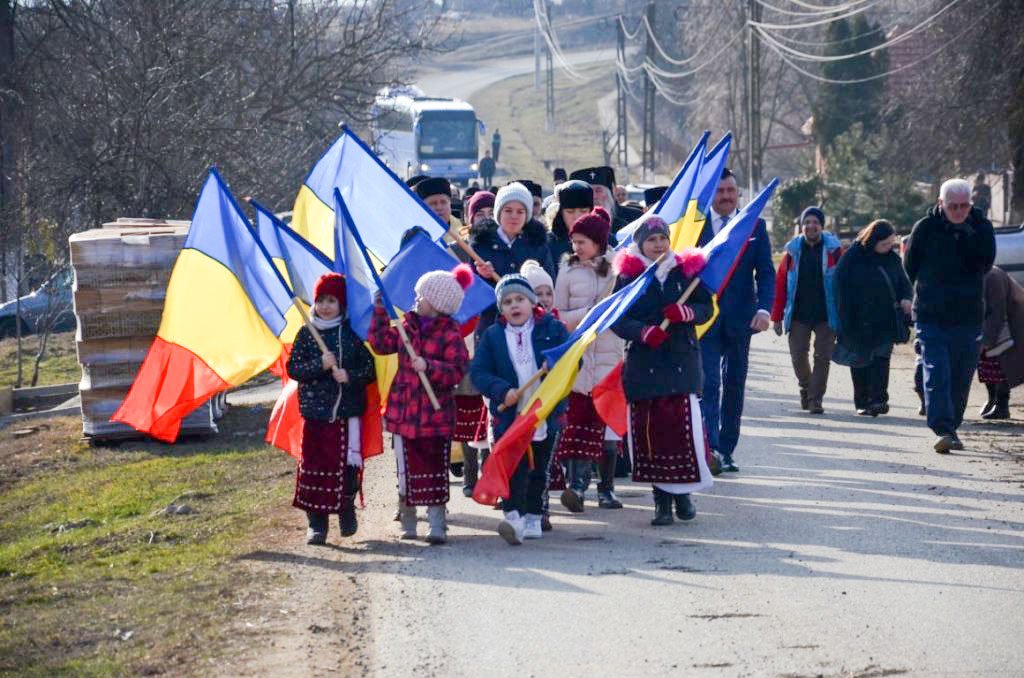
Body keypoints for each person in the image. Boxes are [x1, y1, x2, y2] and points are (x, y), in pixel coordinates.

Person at [611, 215, 715, 524]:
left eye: (662, 239)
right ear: (640, 243)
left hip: (681, 363)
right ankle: (661, 504)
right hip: (646, 367)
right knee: (652, 436)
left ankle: (684, 496)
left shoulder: (685, 272)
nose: (657, 245)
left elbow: (705, 307)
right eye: (651, 240)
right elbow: (618, 318)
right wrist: (642, 331)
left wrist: (687, 312)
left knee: (681, 435)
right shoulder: (629, 277)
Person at [369, 265, 472, 543]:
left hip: (434, 417)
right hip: (404, 413)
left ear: (437, 304)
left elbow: (456, 369)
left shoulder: (450, 334)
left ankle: (437, 521)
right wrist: (379, 309)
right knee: (406, 469)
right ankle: (408, 518)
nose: (416, 300)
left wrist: (429, 366)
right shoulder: (406, 327)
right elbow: (380, 343)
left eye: (421, 296)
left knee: (434, 467)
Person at [471, 274, 569, 544]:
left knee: (539, 467)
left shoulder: (552, 327)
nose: (514, 305)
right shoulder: (493, 335)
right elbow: (479, 371)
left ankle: (534, 516)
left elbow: (573, 360)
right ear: (501, 308)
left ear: (532, 301)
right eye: (507, 302)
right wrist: (502, 390)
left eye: (520, 299)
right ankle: (513, 517)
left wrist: (554, 362)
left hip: (544, 412)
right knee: (514, 466)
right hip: (510, 414)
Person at [904, 178, 996, 453]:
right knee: (936, 370)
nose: (958, 211)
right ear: (940, 204)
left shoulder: (980, 227)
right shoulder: (925, 228)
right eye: (952, 206)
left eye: (963, 206)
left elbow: (987, 262)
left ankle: (952, 426)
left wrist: (969, 235)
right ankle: (943, 428)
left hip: (968, 315)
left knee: (960, 375)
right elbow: (911, 266)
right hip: (932, 314)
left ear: (970, 204)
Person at [286, 273, 376, 545]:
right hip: (316, 415)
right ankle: (316, 524)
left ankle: (346, 511)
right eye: (321, 300)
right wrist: (320, 365)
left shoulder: (349, 335)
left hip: (346, 415)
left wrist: (348, 375)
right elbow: (294, 369)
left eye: (331, 300)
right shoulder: (306, 333)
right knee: (314, 467)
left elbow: (368, 368)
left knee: (346, 468)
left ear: (341, 305)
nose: (325, 306)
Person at [697, 168, 775, 472]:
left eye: (731, 191)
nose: (726, 197)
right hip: (703, 320)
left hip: (741, 320)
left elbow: (766, 273)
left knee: (733, 384)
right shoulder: (697, 227)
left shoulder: (754, 226)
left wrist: (764, 309)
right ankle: (711, 448)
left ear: (738, 193)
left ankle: (727, 449)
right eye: (720, 192)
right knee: (710, 383)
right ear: (711, 195)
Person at [551, 206, 624, 512]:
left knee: (607, 428)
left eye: (583, 241)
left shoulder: (618, 270)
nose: (576, 247)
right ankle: (577, 487)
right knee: (579, 425)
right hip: (579, 359)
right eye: (574, 241)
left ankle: (606, 489)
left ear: (598, 242)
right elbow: (558, 315)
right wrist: (589, 314)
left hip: (609, 358)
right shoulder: (567, 271)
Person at [834, 220, 913, 416]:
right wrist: (844, 319)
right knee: (860, 362)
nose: (888, 248)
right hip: (858, 319)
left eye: (891, 244)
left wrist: (906, 298)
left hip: (885, 319)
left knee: (881, 359)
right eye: (884, 244)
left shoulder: (892, 259)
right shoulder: (852, 257)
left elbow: (904, 283)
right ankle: (862, 401)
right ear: (873, 240)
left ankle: (879, 399)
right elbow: (839, 289)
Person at [770, 206, 842, 415]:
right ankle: (806, 387)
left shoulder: (835, 252)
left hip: (826, 314)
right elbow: (781, 285)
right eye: (807, 223)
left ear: (822, 226)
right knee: (798, 356)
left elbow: (843, 283)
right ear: (801, 227)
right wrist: (776, 316)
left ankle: (815, 399)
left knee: (822, 357)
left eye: (815, 223)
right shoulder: (792, 253)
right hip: (798, 315)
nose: (811, 226)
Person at [471, 182, 555, 298]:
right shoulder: (481, 244)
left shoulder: (538, 245)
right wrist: (482, 276)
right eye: (508, 211)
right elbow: (472, 291)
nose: (514, 216)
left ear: (527, 215)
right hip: (492, 314)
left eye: (520, 211)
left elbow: (550, 286)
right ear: (498, 213)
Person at [977, 266, 1024, 419]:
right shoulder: (973, 274)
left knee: (1003, 365)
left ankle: (1002, 405)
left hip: (1011, 325)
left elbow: (997, 311)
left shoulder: (992, 276)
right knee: (986, 364)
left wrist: (987, 340)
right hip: (991, 325)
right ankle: (992, 399)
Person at [570, 166, 642, 233]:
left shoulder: (635, 217)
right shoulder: (573, 221)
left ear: (609, 194)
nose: (594, 196)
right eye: (589, 191)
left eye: (598, 191)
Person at [546, 179, 594, 268]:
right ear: (561, 213)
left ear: (591, 211)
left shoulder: (605, 240)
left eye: (583, 211)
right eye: (570, 212)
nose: (577, 217)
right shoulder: (547, 243)